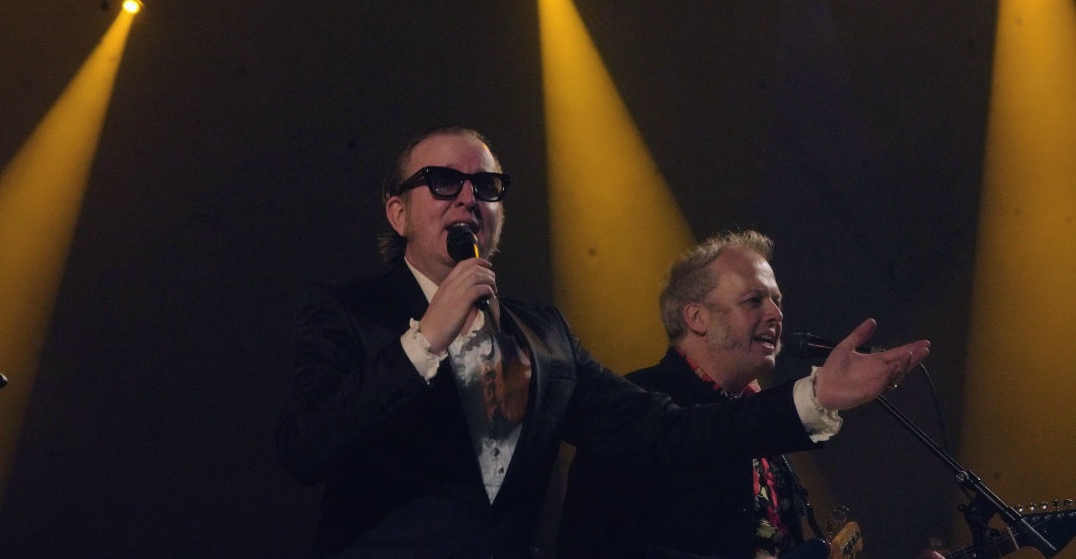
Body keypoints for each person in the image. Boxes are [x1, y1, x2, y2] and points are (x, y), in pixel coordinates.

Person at [276, 126, 929, 558]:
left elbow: (666, 431)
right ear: (398, 211)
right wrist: (425, 340)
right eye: (444, 182)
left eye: (488, 186)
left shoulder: (543, 335)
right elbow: (307, 447)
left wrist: (814, 398)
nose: (468, 198)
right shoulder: (347, 312)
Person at [558, 230, 827, 559]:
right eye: (754, 300)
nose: (776, 314)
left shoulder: (757, 410)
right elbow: (592, 546)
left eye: (777, 300)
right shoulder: (634, 403)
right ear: (698, 318)